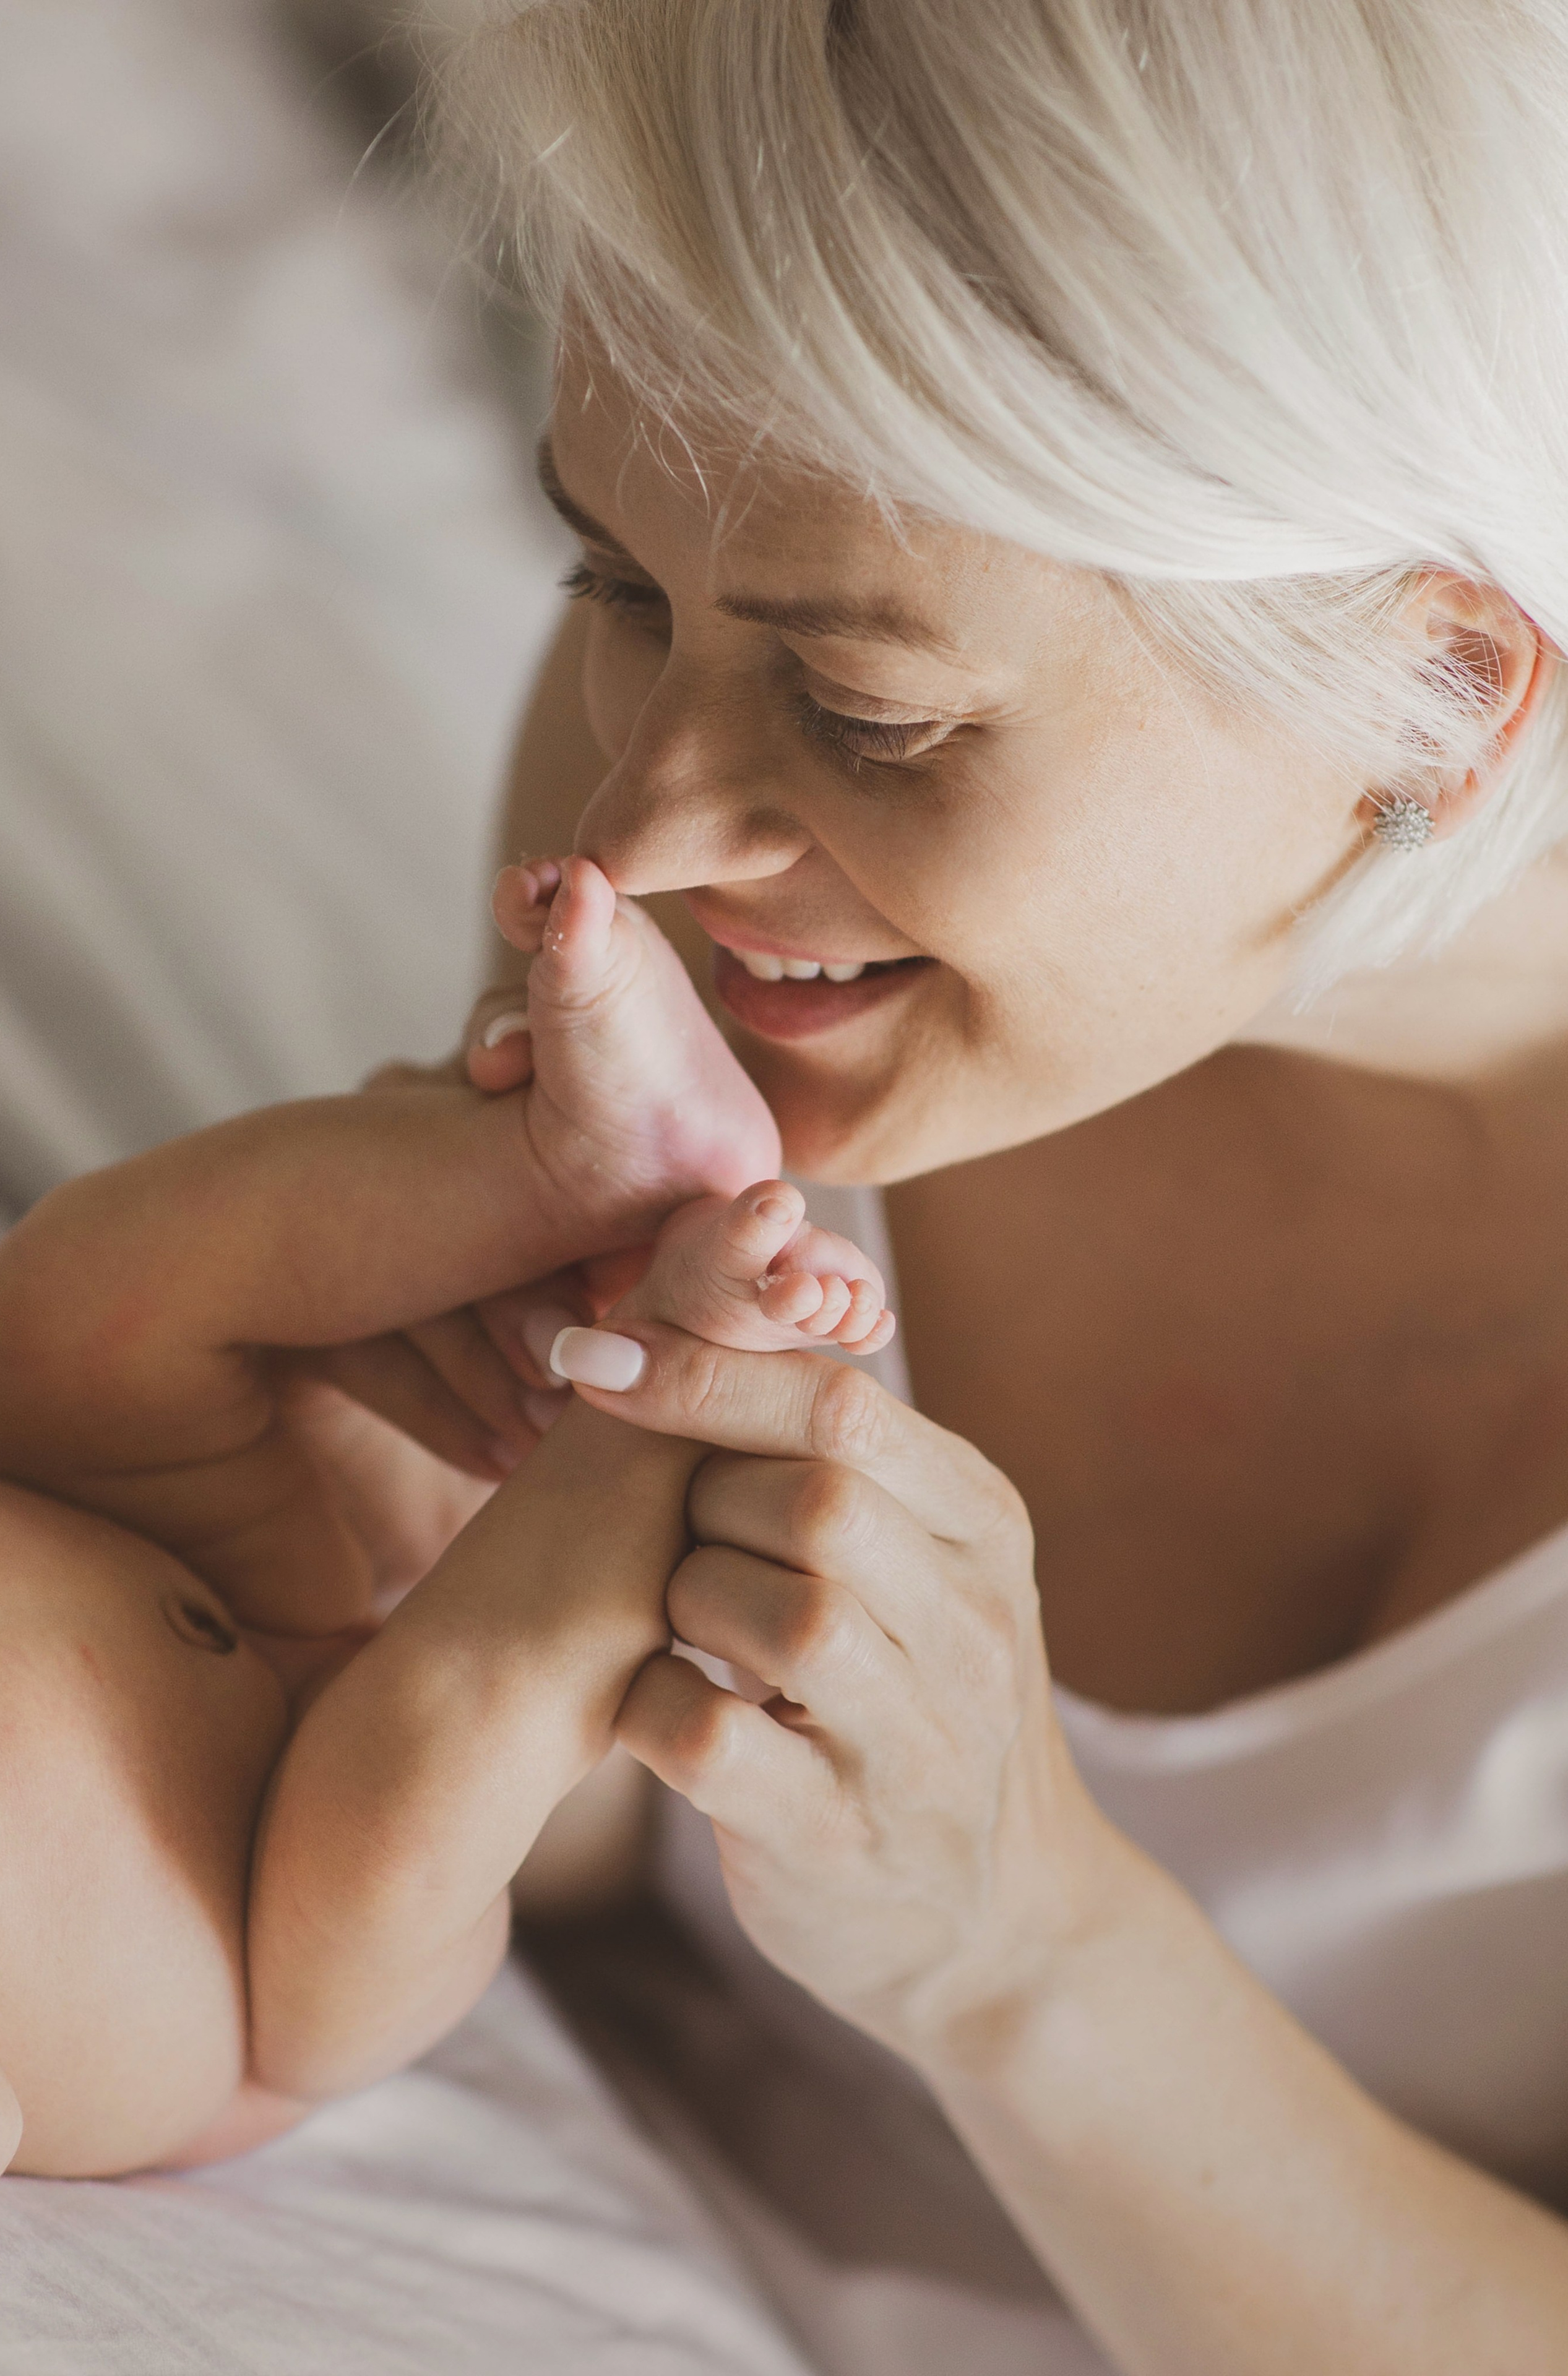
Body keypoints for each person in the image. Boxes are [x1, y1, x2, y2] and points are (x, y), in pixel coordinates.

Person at [381, 2, 1568, 2370]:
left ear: (1439, 695)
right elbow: (534, 1824)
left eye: (877, 720)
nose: (636, 839)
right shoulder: (698, 838)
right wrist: (463, 1560)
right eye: (613, 579)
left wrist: (1017, 1946)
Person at [0, 853, 891, 2185]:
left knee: (78, 1295)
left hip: (94, 1509)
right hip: (257, 1925)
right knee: (439, 1767)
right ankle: (679, 1349)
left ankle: (568, 1166)